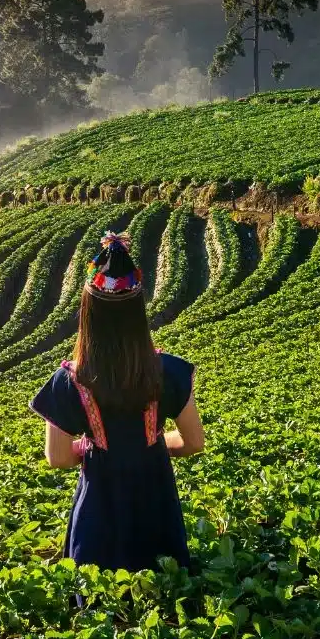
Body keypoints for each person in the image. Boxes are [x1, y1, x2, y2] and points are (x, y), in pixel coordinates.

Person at [31, 231, 205, 573]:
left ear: (87, 314)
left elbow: (58, 458)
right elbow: (193, 442)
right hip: (156, 504)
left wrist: (89, 446)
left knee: (98, 595)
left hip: (100, 508)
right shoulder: (167, 371)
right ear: (139, 311)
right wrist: (154, 443)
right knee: (166, 589)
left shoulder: (69, 381)